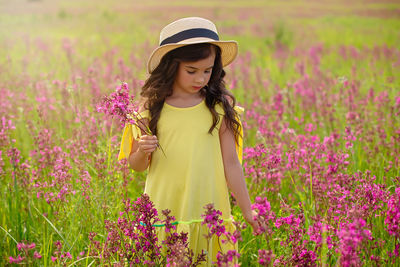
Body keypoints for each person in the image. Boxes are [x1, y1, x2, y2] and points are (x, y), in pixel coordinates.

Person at [118, 17, 259, 265]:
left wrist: (248, 210)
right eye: (191, 71)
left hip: (209, 213)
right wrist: (141, 151)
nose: (200, 79)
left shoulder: (218, 109)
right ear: (171, 67)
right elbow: (137, 165)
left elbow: (232, 163)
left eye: (208, 71)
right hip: (163, 213)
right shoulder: (149, 111)